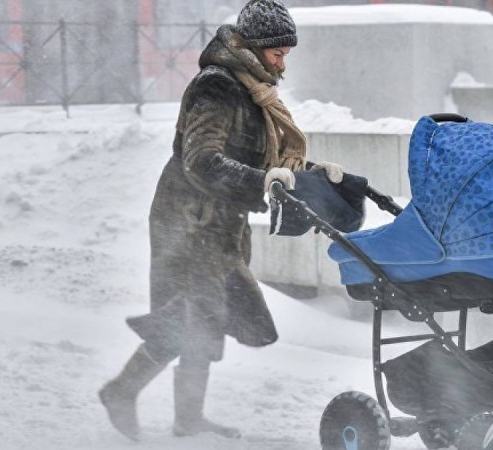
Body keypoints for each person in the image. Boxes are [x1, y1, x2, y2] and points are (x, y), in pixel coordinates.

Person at [98, 0, 343, 442]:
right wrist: (262, 180)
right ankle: (121, 391)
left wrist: (313, 176)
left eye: (286, 53)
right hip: (189, 219)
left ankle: (186, 418)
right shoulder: (217, 87)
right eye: (277, 53)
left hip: (220, 220)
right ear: (251, 46)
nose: (282, 61)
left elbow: (260, 159)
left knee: (207, 318)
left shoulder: (252, 87)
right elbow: (201, 160)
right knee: (188, 316)